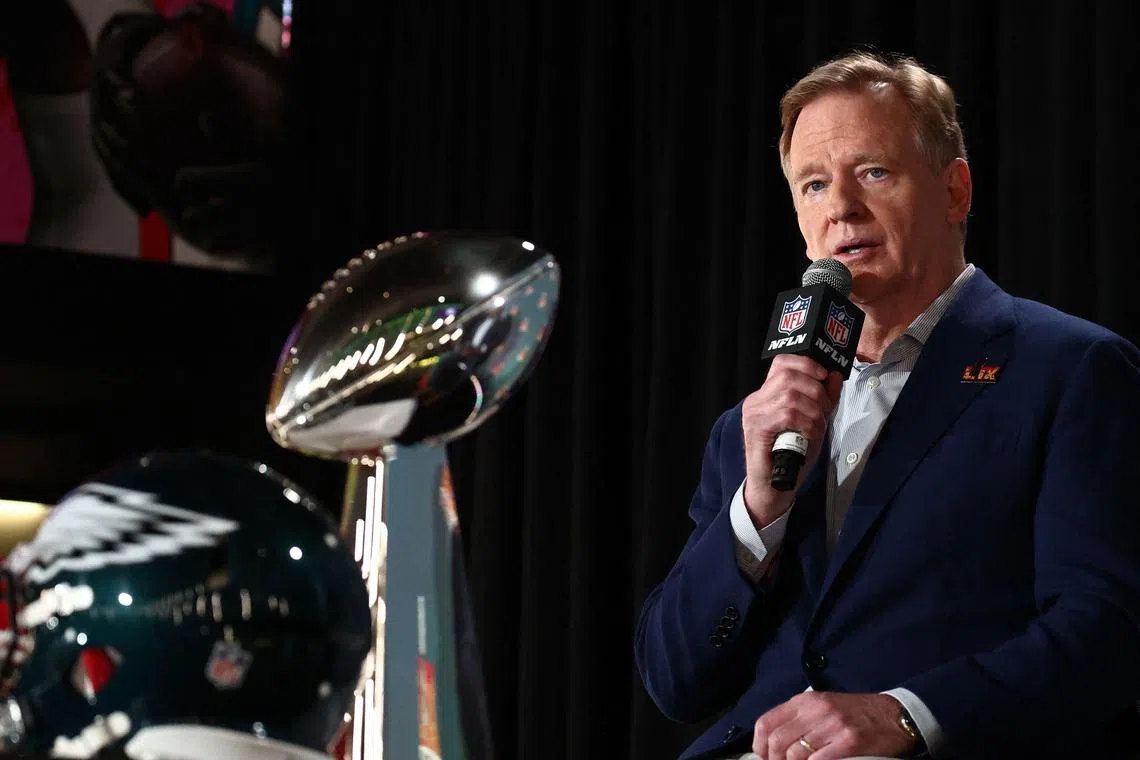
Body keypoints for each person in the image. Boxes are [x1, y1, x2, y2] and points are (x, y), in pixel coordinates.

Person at [634, 50, 1140, 760]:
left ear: (955, 190)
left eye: (873, 172)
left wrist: (907, 716)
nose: (839, 205)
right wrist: (758, 510)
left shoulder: (1071, 370)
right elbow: (674, 681)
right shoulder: (752, 428)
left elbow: (1108, 630)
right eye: (813, 184)